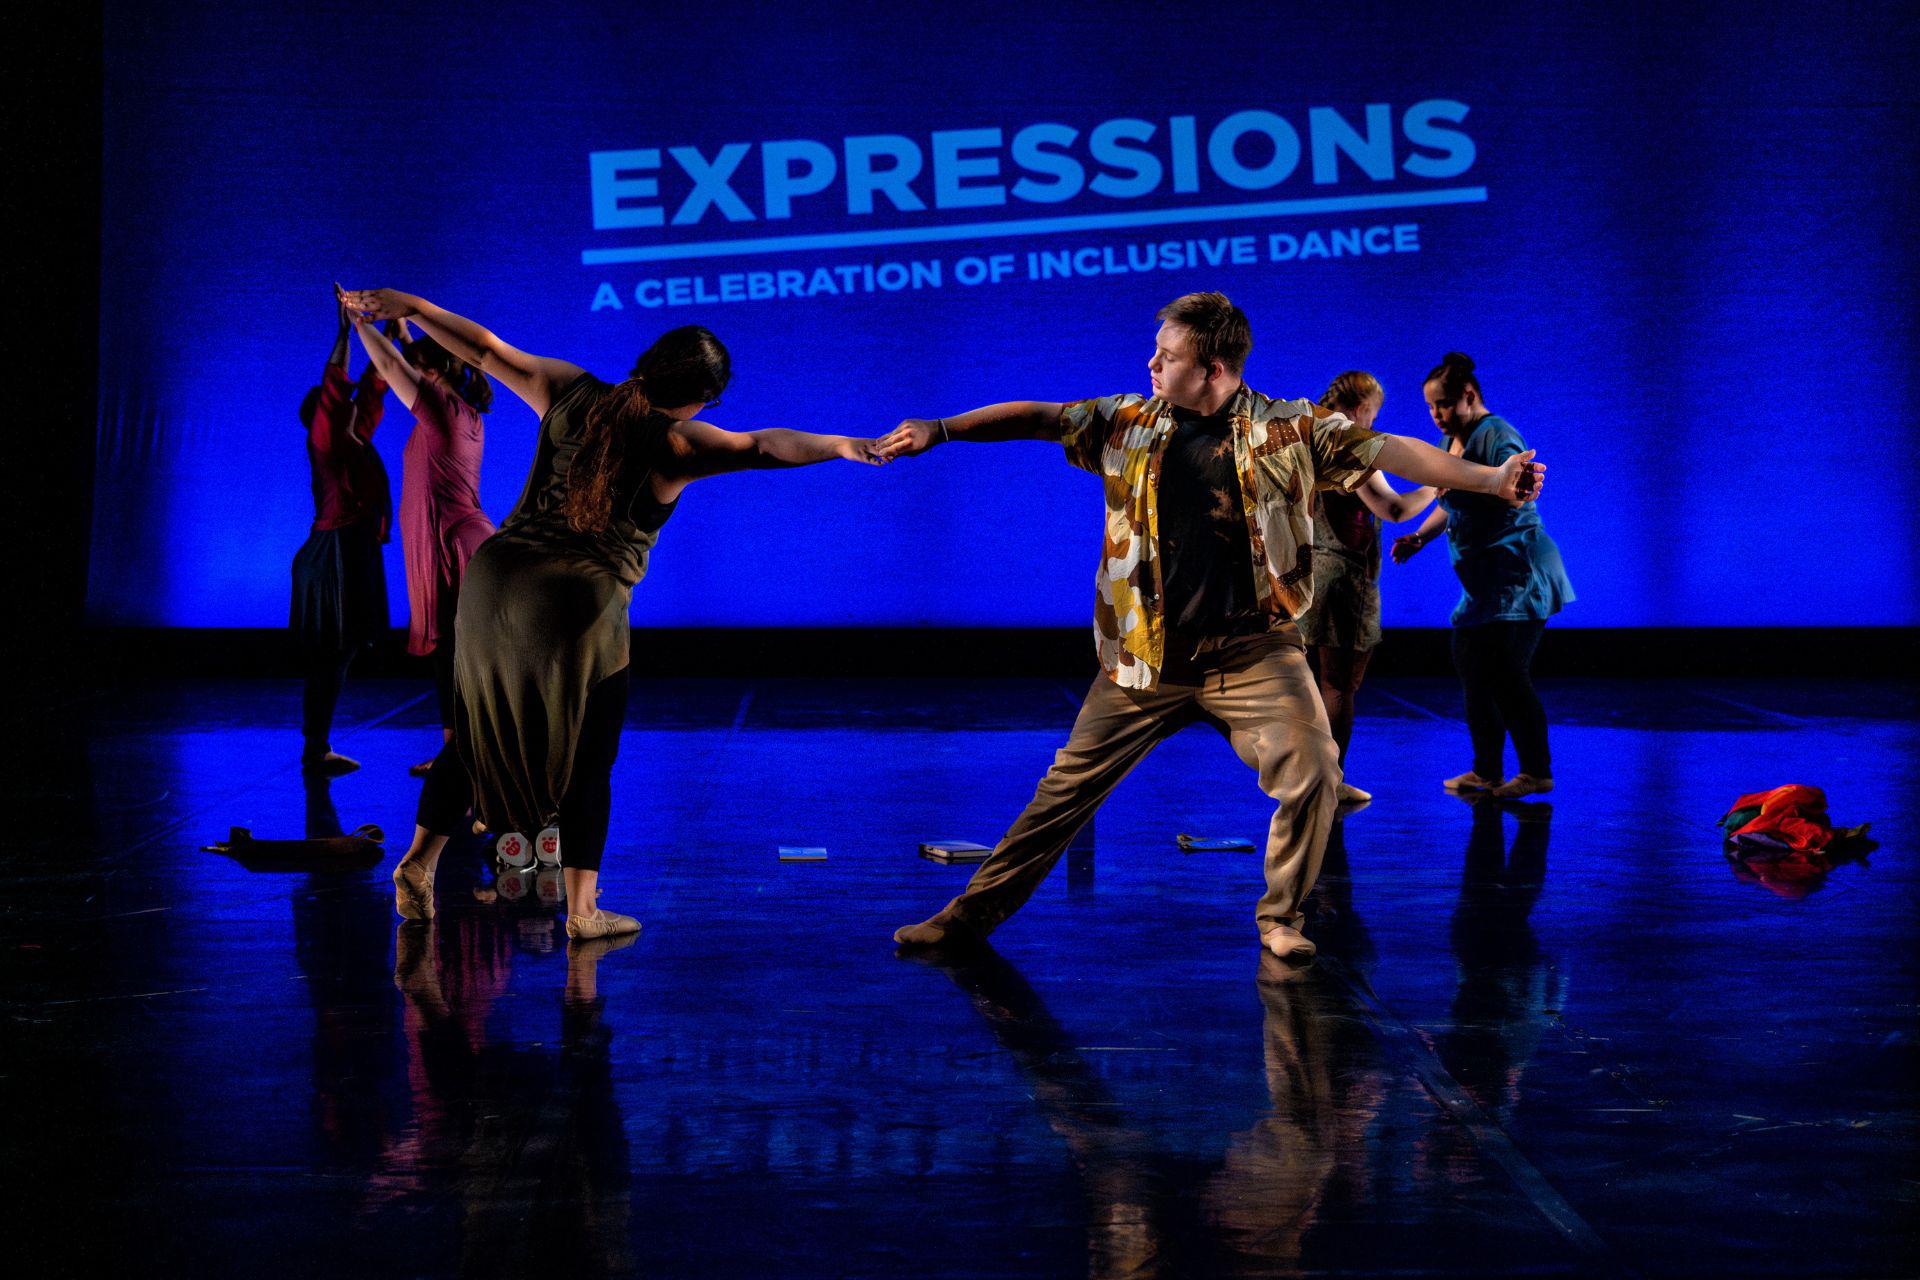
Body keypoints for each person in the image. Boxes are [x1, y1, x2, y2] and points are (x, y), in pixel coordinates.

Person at [880, 293, 1544, 960]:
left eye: (1168, 357)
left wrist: (1490, 480)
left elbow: (1394, 451)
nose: (1152, 364)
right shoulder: (1128, 421)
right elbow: (1042, 417)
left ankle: (1281, 917)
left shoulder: (1289, 429)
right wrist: (943, 428)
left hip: (1255, 654)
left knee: (1315, 769)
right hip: (1146, 662)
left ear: (1214, 368)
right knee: (1060, 796)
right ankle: (965, 918)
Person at [337, 287, 884, 938]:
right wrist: (849, 445)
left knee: (478, 734)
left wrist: (416, 308)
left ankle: (420, 864)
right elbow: (764, 446)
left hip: (494, 578)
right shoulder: (678, 444)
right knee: (589, 756)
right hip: (576, 599)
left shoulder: (569, 390)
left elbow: (483, 349)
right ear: (699, 398)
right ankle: (582, 911)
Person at [1391, 352, 1573, 800]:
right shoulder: (1455, 440)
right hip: (1486, 585)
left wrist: (1518, 488)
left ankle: (1535, 771)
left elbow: (1515, 485)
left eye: (1445, 404)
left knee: (1508, 674)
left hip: (1518, 574)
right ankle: (1486, 770)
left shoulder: (1496, 435)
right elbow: (1450, 502)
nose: (1437, 414)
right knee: (1473, 666)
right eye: (1432, 406)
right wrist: (1418, 538)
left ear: (1470, 395)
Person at [350, 316, 497, 775]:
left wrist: (358, 323)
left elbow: (393, 366)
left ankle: (470, 756)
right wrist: (405, 332)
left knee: (457, 656)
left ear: (430, 373)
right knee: (454, 655)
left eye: (421, 368)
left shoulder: (436, 405)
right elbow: (414, 361)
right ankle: (458, 752)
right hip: (463, 538)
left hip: (449, 542)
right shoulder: (463, 410)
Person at [1295, 371, 1439, 804]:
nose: (1374, 425)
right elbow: (1393, 507)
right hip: (1344, 580)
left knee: (1312, 683)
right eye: (1374, 415)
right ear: (1360, 409)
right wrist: (1435, 487)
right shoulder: (1348, 445)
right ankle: (1329, 781)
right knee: (1339, 685)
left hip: (1308, 575)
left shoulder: (1309, 438)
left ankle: (1308, 777)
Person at [291, 302, 395, 774]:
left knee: (343, 650)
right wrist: (343, 331)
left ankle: (318, 745)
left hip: (354, 550)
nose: (351, 404)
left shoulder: (356, 437)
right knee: (331, 653)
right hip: (333, 554)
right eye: (340, 405)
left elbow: (376, 384)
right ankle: (315, 746)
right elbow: (338, 381)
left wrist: (389, 332)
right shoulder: (327, 439)